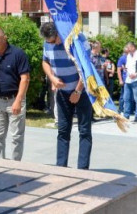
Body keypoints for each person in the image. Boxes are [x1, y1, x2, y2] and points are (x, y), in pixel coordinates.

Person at [40, 22, 92, 169]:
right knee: (63, 130)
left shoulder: (79, 39)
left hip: (81, 92)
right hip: (62, 93)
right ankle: (61, 167)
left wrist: (78, 91)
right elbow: (45, 62)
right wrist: (52, 78)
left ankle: (82, 169)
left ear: (59, 33)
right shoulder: (48, 43)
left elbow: (87, 67)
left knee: (84, 130)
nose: (53, 44)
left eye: (54, 40)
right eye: (49, 42)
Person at [0, 27, 31, 161]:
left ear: (4, 38)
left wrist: (18, 101)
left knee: (16, 137)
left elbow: (25, 78)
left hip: (15, 98)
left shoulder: (18, 54)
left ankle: (15, 166)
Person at [122, 42, 137, 122]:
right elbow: (128, 66)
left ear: (133, 47)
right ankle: (126, 115)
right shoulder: (128, 56)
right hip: (128, 80)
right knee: (126, 98)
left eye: (128, 47)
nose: (127, 49)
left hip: (136, 80)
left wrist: (136, 74)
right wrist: (126, 69)